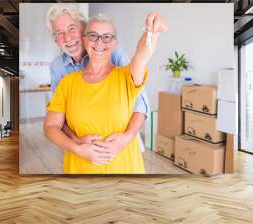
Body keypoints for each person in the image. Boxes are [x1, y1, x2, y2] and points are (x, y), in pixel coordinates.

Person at [44, 12, 167, 174]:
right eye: (93, 36)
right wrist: (77, 148)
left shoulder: (126, 76)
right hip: (79, 169)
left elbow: (141, 57)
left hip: (124, 168)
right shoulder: (67, 82)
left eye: (107, 37)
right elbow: (51, 126)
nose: (100, 42)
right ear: (85, 39)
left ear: (115, 43)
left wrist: (151, 32)